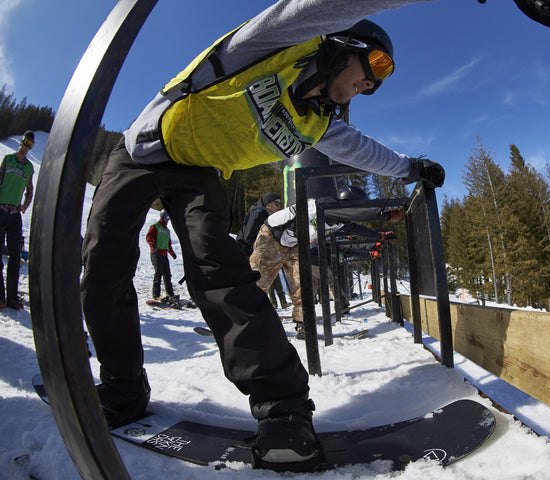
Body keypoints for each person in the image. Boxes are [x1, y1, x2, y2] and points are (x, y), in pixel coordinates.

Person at [81, 3, 444, 473]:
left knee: (220, 274)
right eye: (375, 65)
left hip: (198, 173)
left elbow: (364, 151)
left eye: (378, 82)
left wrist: (413, 167)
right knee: (104, 265)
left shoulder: (319, 123)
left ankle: (283, 410)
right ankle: (121, 390)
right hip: (141, 150)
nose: (370, 84)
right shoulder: (277, 42)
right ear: (344, 43)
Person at [251, 187, 396, 339]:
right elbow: (357, 214)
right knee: (258, 281)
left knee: (303, 285)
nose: (354, 215)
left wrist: (378, 236)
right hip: (271, 237)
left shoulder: (341, 220)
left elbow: (357, 228)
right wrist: (386, 215)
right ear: (346, 204)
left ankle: (302, 324)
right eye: (355, 208)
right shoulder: (327, 204)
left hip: (294, 244)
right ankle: (247, 320)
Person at [0, 131, 34, 310]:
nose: (27, 147)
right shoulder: (8, 159)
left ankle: (12, 297)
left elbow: (30, 189)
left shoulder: (29, 168)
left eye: (30, 145)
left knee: (15, 256)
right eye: (25, 142)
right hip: (0, 210)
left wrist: (24, 206)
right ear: (21, 142)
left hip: (14, 215)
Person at [145, 210, 177, 301]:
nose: (168, 220)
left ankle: (170, 293)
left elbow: (168, 243)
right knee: (158, 273)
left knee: (167, 274)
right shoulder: (155, 226)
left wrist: (172, 253)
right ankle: (156, 295)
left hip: (164, 254)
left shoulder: (167, 230)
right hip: (156, 254)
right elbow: (149, 237)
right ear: (163, 217)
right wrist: (153, 247)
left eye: (169, 218)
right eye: (167, 218)